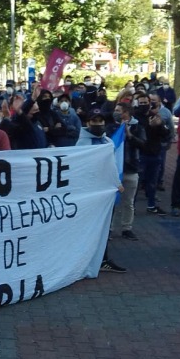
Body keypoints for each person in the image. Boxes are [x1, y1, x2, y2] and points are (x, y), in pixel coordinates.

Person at [76, 108, 126, 273]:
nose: (98, 124)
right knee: (88, 228)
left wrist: (116, 183)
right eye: (94, 121)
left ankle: (103, 258)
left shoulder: (108, 142)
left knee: (104, 227)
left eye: (100, 121)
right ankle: (83, 258)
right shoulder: (81, 144)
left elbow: (112, 166)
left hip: (106, 193)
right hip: (89, 193)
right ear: (88, 123)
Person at [107, 102, 146, 241]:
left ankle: (126, 228)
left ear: (127, 113)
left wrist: (130, 135)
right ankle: (109, 228)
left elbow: (143, 144)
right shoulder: (111, 127)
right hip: (114, 171)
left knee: (128, 202)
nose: (115, 113)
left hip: (131, 169)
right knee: (112, 202)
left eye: (119, 110)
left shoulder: (137, 127)